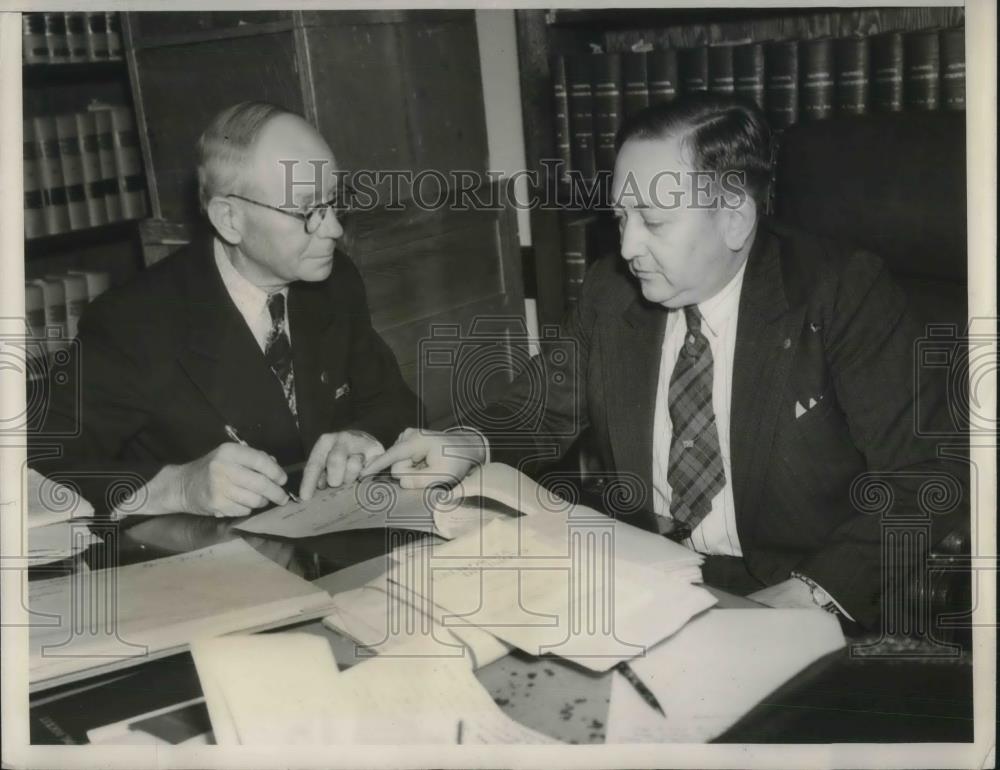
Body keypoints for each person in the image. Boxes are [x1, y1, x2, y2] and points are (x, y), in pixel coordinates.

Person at [363, 94, 965, 629]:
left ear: (734, 217)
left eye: (652, 221)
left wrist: (814, 594)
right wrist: (468, 441)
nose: (626, 248)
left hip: (788, 588)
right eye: (622, 218)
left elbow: (926, 474)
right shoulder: (611, 291)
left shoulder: (840, 294)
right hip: (644, 573)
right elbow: (542, 405)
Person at [31, 102, 420, 518]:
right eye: (309, 211)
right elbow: (40, 462)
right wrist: (176, 487)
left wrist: (362, 436)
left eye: (334, 201)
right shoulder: (133, 322)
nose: (335, 229)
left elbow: (397, 403)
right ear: (229, 218)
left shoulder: (332, 282)